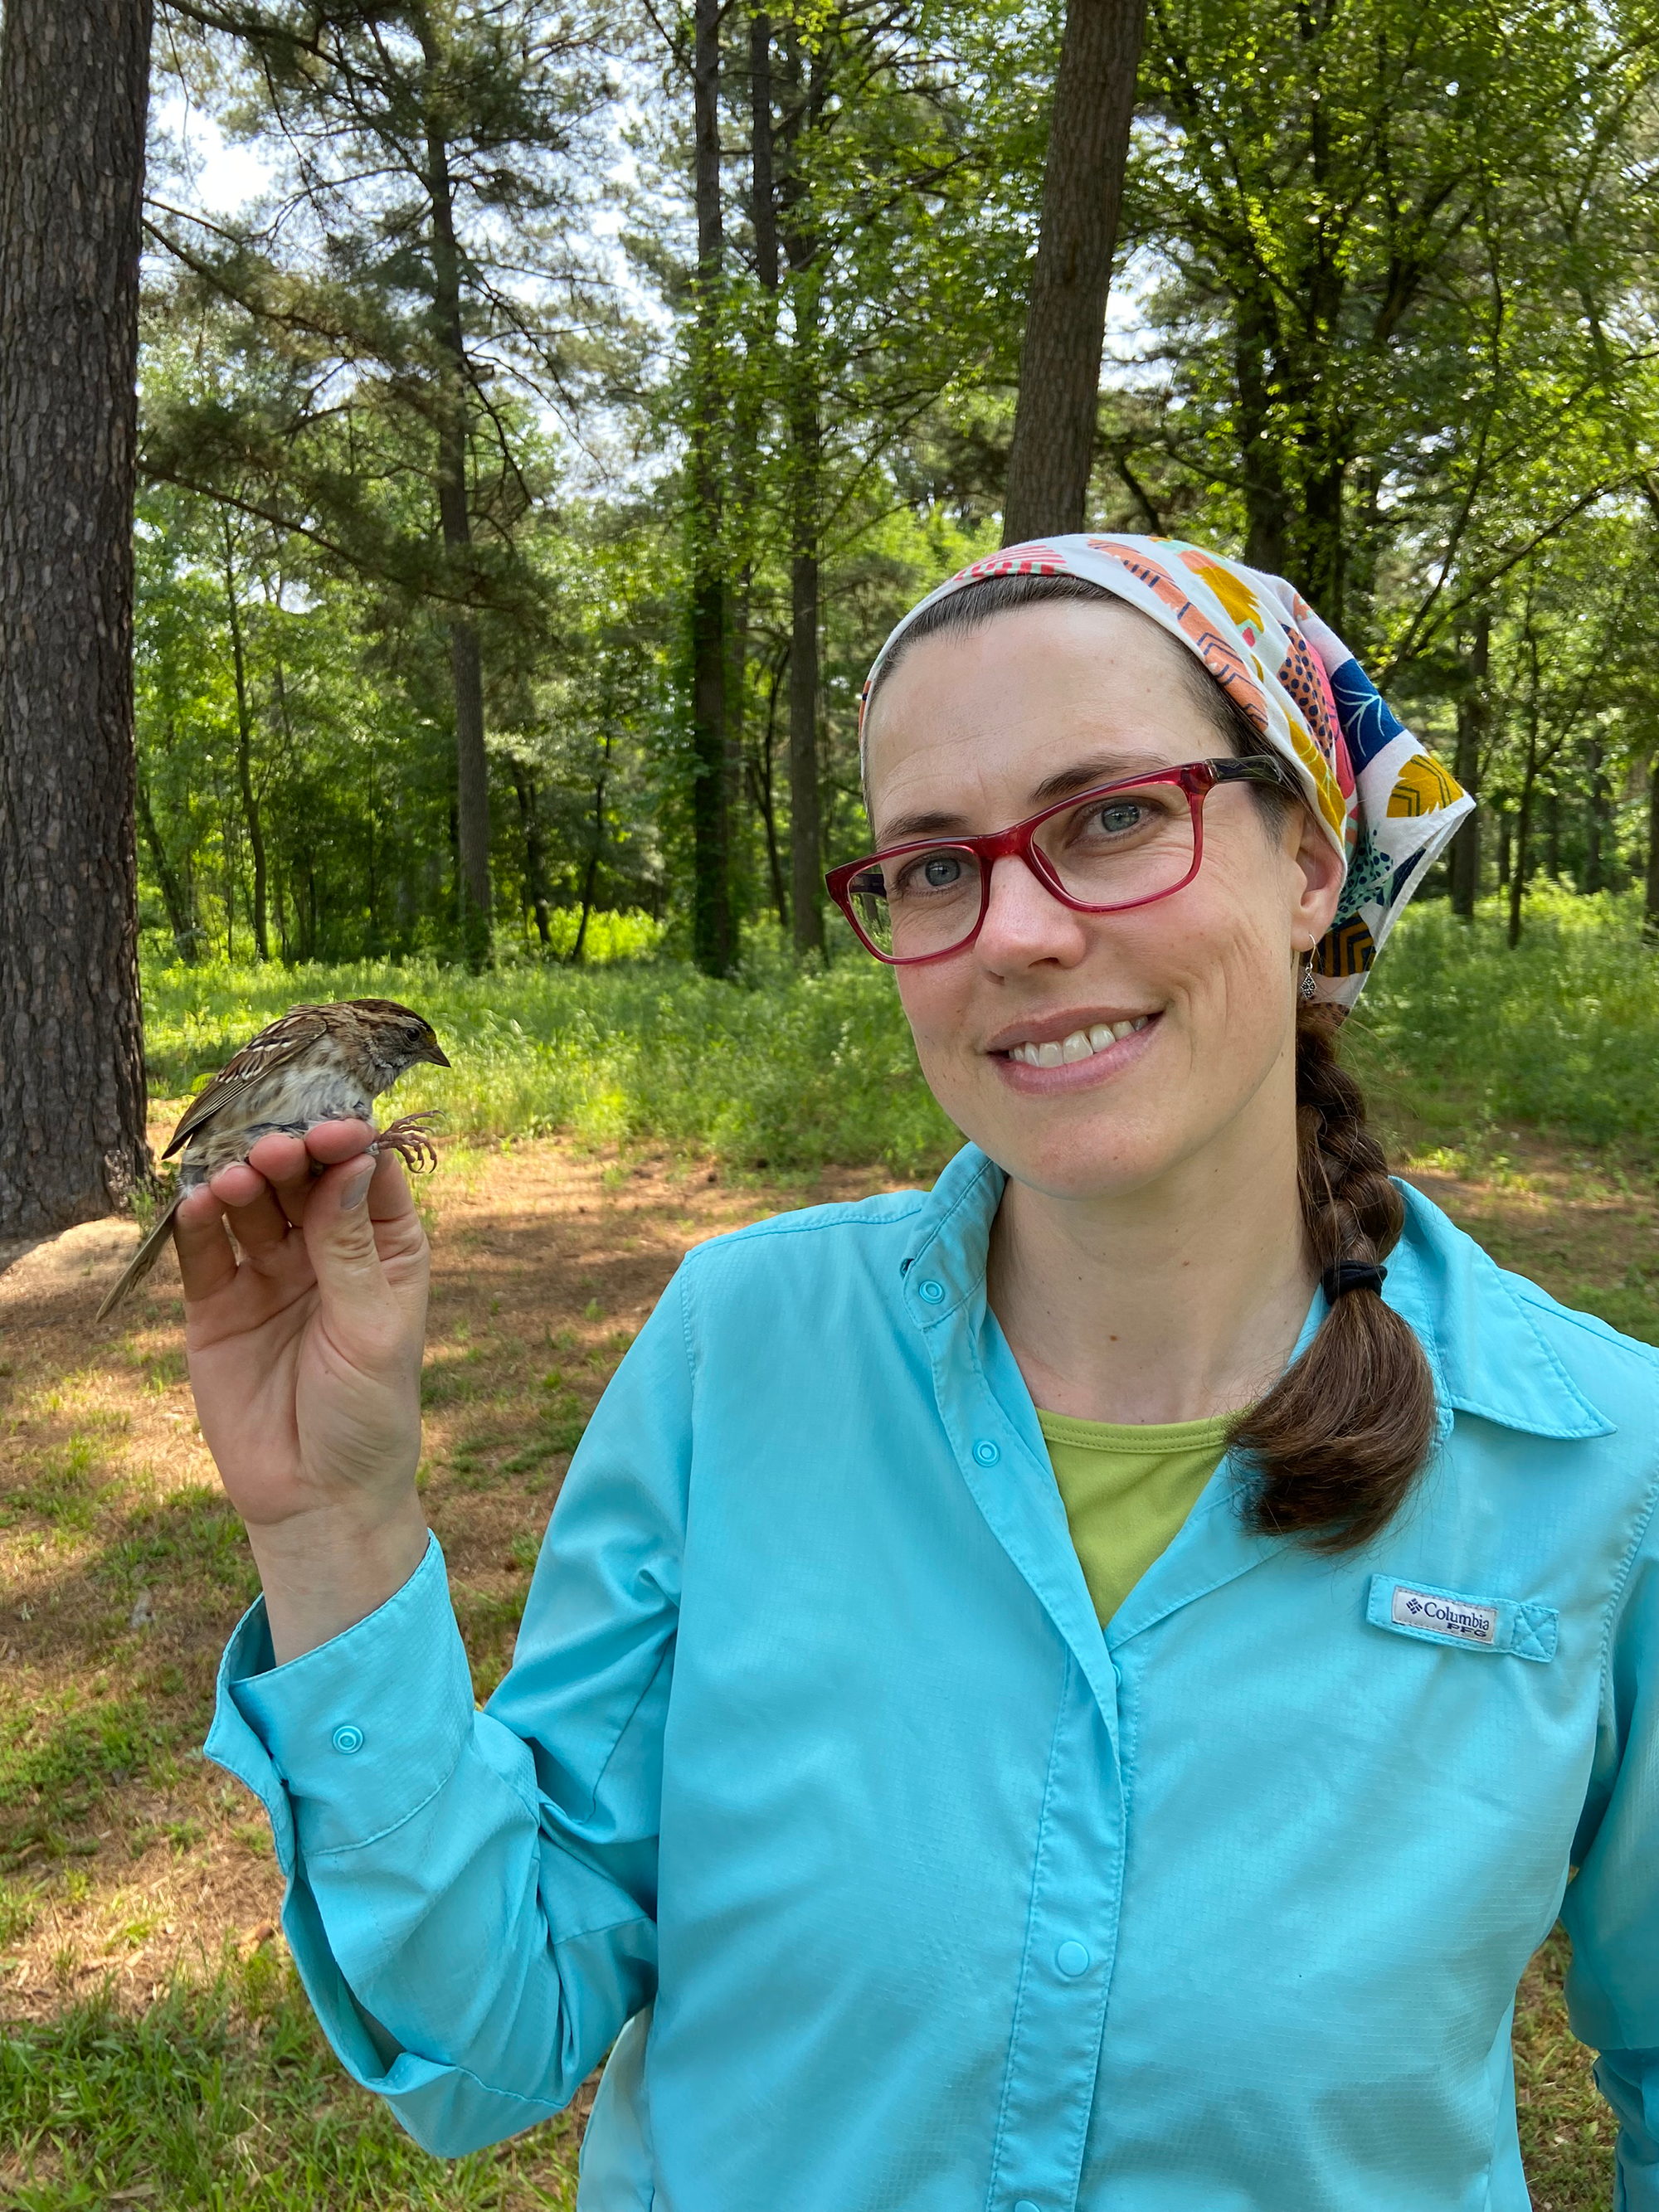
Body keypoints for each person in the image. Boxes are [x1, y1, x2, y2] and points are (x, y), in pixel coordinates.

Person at [188, 535, 1657, 2212]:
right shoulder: (736, 1350)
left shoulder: (1598, 1462)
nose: (1012, 933)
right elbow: (494, 2030)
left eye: (1112, 815)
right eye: (933, 866)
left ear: (1313, 860)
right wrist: (331, 1526)